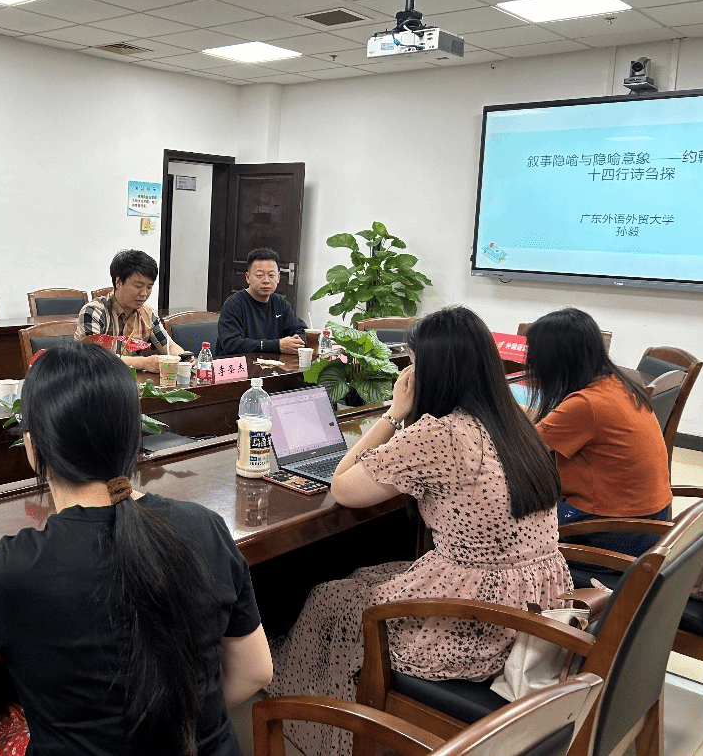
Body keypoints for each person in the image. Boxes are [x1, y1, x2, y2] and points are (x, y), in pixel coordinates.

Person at [0, 342, 272, 755]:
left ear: (33, 448)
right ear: (135, 435)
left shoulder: (19, 567)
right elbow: (254, 672)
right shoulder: (206, 526)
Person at [268, 306, 570, 756]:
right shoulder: (518, 420)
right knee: (363, 577)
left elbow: (343, 486)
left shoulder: (440, 435)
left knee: (329, 598)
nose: (408, 373)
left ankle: (319, 722)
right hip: (537, 604)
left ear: (435, 370)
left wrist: (394, 413)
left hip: (476, 621)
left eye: (412, 363)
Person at [525, 307, 672, 555]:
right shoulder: (618, 384)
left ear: (553, 360)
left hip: (613, 529)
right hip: (649, 520)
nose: (530, 362)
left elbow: (522, 449)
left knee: (501, 517)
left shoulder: (586, 405)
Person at [74, 249, 185, 372]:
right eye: (138, 286)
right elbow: (94, 358)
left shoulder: (147, 313)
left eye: (149, 287)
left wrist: (184, 358)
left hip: (133, 381)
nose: (144, 293)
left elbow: (169, 346)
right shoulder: (94, 312)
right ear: (118, 282)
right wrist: (144, 363)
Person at [216, 247, 307, 356]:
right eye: (259, 275)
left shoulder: (280, 303)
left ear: (278, 277)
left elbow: (301, 330)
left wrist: (296, 342)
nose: (266, 281)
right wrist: (277, 345)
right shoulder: (234, 304)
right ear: (248, 277)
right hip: (241, 364)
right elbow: (232, 344)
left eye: (271, 275)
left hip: (273, 364)